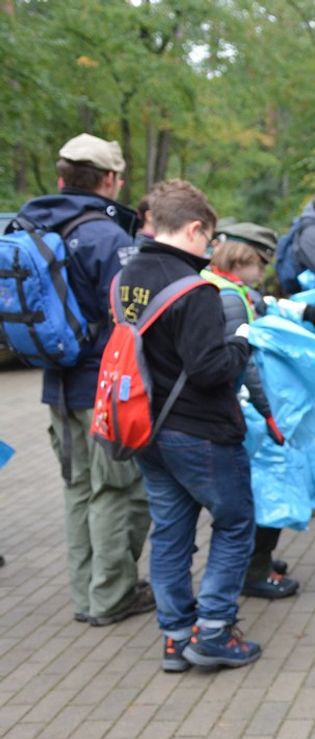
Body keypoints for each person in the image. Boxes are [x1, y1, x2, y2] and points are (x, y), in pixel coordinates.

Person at [117, 179, 261, 670]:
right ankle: (215, 630)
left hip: (144, 427)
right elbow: (209, 370)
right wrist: (241, 339)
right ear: (196, 229)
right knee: (236, 522)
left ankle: (176, 636)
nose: (211, 248)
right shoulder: (195, 290)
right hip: (199, 431)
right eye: (210, 238)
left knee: (172, 532)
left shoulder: (126, 277)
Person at [15, 133, 154, 627]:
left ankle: (85, 594)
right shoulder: (106, 237)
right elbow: (128, 316)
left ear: (60, 178)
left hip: (56, 384)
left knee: (77, 489)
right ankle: (112, 596)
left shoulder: (30, 225)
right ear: (110, 180)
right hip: (103, 389)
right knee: (118, 491)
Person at [201, 222, 299, 601]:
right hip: (240, 409)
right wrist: (269, 413)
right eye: (261, 265)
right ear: (245, 260)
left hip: (230, 408)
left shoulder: (222, 286)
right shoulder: (231, 298)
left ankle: (258, 561)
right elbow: (244, 363)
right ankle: (254, 571)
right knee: (259, 493)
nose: (263, 274)